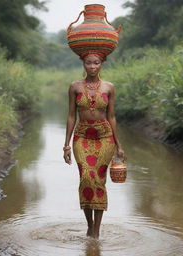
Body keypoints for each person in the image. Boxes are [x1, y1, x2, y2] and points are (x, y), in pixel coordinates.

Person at [63, 52, 125, 239]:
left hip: (104, 137)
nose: (92, 67)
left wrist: (119, 145)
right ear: (83, 63)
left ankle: (96, 231)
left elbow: (111, 117)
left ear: (101, 64)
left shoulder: (109, 87)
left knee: (98, 180)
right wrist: (66, 145)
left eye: (96, 63)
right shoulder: (75, 87)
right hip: (81, 137)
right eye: (88, 63)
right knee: (86, 179)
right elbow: (71, 116)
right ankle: (89, 224)